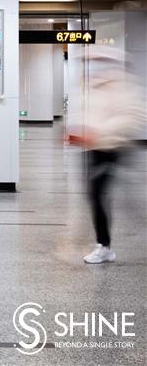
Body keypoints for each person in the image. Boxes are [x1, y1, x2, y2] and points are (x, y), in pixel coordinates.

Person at [67, 46, 145, 264]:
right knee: (97, 195)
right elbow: (86, 114)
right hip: (93, 149)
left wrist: (101, 133)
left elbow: (133, 116)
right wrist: (78, 134)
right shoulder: (92, 86)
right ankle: (104, 244)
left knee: (102, 195)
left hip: (113, 148)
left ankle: (104, 246)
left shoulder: (123, 86)